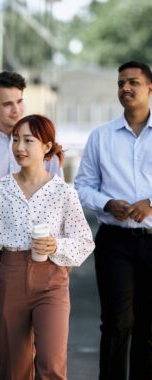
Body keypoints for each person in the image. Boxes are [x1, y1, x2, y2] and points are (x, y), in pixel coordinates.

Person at [0, 114, 94, 380]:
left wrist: (56, 245)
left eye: (28, 141)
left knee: (52, 365)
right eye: (15, 140)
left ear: (46, 146)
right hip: (9, 277)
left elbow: (84, 241)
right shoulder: (0, 189)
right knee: (14, 368)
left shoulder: (63, 192)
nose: (19, 147)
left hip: (52, 281)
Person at [0, 71, 63, 379]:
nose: (16, 110)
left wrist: (61, 254)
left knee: (45, 338)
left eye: (19, 101)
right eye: (7, 104)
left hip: (42, 254)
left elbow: (59, 200)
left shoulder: (45, 146)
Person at [74, 60, 152, 380]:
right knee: (117, 323)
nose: (125, 88)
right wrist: (107, 203)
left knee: (148, 325)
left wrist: (150, 204)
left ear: (150, 88)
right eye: (120, 83)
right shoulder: (101, 136)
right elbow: (82, 186)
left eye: (133, 82)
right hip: (114, 240)